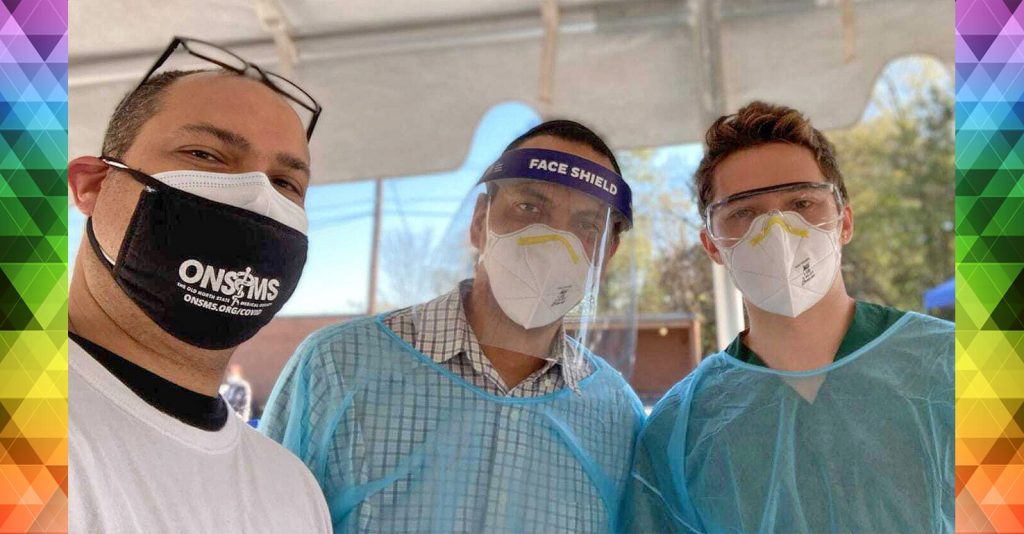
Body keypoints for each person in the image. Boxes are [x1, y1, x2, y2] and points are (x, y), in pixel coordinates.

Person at [261, 120, 646, 532]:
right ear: (480, 220)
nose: (554, 242)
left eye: (587, 226)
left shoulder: (616, 415)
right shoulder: (337, 368)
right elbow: (256, 516)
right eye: (530, 208)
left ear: (607, 255)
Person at [625, 101, 954, 533]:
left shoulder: (957, 366)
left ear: (844, 221)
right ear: (712, 245)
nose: (777, 231)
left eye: (802, 203)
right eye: (744, 213)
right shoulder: (681, 429)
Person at [67, 37, 331, 532]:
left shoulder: (292, 491)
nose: (254, 197)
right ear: (93, 185)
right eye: (205, 154)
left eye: (286, 183)